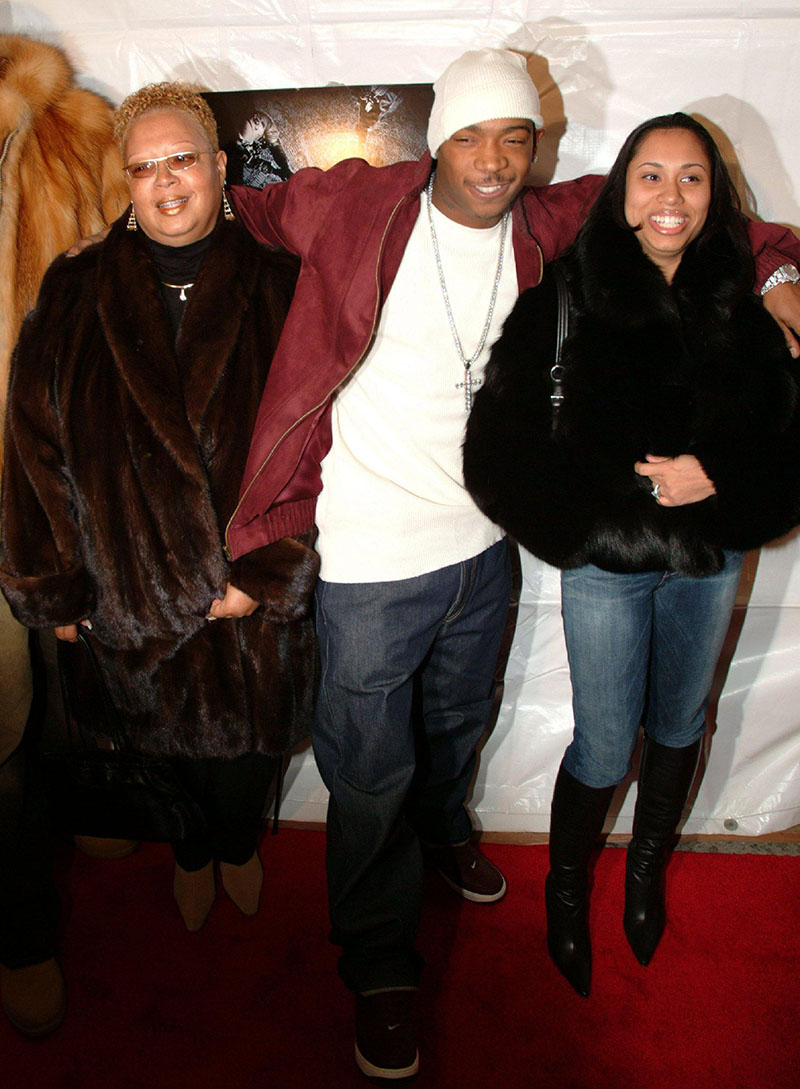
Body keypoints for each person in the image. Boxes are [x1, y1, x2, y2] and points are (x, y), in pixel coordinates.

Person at [223, 51, 800, 1078]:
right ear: (435, 139)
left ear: (535, 147)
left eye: (514, 138)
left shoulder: (547, 220)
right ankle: (379, 963)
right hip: (369, 552)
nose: (491, 160)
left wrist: (781, 272)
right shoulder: (357, 207)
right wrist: (159, 204)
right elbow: (250, 206)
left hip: (483, 546)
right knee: (367, 770)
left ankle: (444, 833)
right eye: (470, 136)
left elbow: (686, 211)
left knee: (457, 725)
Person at [463, 112, 800, 998]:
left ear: (715, 194)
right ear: (621, 191)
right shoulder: (565, 298)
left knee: (682, 724)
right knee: (607, 744)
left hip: (709, 563)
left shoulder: (747, 305)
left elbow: (789, 443)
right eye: (651, 175)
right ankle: (567, 889)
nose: (670, 197)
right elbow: (494, 453)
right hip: (604, 573)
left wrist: (715, 476)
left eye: (692, 177)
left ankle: (645, 871)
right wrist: (588, 533)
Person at [0, 83, 318, 944]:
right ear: (127, 182)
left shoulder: (284, 285)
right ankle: (190, 852)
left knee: (247, 761)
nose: (166, 182)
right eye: (145, 168)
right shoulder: (75, 289)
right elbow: (32, 442)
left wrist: (269, 573)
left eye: (181, 160)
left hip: (246, 599)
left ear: (217, 165)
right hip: (128, 597)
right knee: (159, 755)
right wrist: (56, 587)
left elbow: (321, 441)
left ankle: (236, 842)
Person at [0, 33, 128, 1037]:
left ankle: (90, 805)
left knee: (74, 668)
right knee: (0, 719)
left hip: (57, 476)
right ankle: (23, 930)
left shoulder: (74, 129)